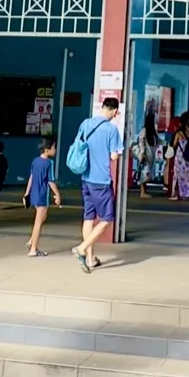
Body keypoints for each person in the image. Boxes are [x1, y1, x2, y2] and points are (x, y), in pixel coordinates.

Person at [71, 95, 124, 273]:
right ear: (115, 111)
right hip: (101, 180)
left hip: (85, 177)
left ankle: (91, 258)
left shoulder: (85, 123)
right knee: (107, 218)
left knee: (88, 217)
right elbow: (114, 156)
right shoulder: (112, 130)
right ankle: (81, 249)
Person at [25, 139, 61, 257]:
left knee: (42, 217)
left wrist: (27, 193)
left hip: (34, 194)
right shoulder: (49, 163)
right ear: (47, 150)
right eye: (53, 148)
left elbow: (31, 177)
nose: (55, 150)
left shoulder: (35, 161)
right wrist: (57, 194)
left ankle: (31, 240)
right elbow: (51, 181)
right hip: (42, 195)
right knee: (38, 222)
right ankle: (33, 249)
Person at [170, 113, 189, 201]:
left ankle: (176, 194)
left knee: (179, 176)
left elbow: (173, 145)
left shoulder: (179, 133)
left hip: (180, 157)